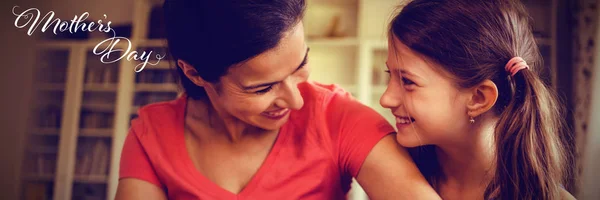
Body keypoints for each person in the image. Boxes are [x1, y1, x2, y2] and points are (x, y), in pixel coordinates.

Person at [115, 0, 440, 199]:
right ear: (196, 73)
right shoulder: (151, 135)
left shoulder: (341, 119)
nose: (296, 100)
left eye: (301, 66)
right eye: (263, 88)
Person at [380, 0, 575, 199]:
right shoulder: (389, 174)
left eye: (407, 81)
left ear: (479, 98)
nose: (386, 99)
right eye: (390, 74)